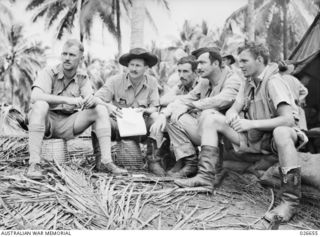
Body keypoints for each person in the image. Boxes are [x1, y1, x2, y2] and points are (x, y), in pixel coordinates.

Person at [175, 42, 308, 224]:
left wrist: (249, 123)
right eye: (239, 62)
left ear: (259, 60)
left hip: (276, 139)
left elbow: (288, 120)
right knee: (210, 116)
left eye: (245, 61)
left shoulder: (274, 81)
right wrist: (232, 115)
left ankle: (289, 201)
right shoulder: (247, 81)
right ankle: (206, 177)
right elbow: (235, 108)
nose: (240, 65)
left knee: (281, 132)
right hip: (254, 138)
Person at [27, 39, 127, 180]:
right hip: (46, 120)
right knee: (40, 104)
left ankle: (106, 161)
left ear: (81, 58)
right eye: (64, 54)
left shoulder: (82, 77)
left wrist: (107, 106)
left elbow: (90, 98)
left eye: (72, 55)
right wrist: (68, 100)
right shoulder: (49, 72)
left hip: (68, 123)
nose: (67, 58)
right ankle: (34, 163)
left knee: (100, 110)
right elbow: (35, 96)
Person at [151, 48, 242, 178]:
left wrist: (192, 106)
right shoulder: (204, 82)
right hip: (207, 132)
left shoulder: (233, 79)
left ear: (216, 63)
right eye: (197, 63)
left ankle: (211, 166)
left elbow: (223, 100)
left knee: (208, 113)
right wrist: (163, 115)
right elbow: (185, 99)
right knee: (173, 115)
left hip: (231, 135)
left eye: (202, 63)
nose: (198, 67)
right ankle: (190, 161)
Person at [93, 48, 166, 176]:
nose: (133, 69)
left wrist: (146, 110)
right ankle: (102, 160)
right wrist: (109, 107)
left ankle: (153, 160)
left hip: (140, 127)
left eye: (138, 65)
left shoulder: (152, 82)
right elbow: (96, 98)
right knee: (99, 113)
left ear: (146, 68)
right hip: (118, 126)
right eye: (131, 65)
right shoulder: (115, 80)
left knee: (156, 117)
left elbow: (155, 106)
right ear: (127, 66)